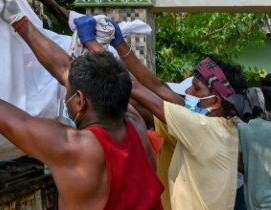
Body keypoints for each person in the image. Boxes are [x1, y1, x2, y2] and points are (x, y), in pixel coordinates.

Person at [0, 0, 164, 209]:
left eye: (68, 91)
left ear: (80, 101)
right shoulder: (135, 123)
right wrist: (19, 21)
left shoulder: (74, 147)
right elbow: (65, 70)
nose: (65, 94)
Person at [75, 15, 248, 210]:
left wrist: (91, 43)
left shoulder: (203, 128)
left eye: (196, 89)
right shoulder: (219, 127)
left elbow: (137, 89)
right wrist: (120, 43)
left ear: (216, 101)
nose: (188, 93)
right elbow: (157, 87)